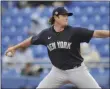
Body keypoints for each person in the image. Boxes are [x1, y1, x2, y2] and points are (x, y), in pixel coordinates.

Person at [5, 7, 109, 89]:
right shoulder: (46, 34)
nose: (66, 17)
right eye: (63, 15)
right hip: (57, 71)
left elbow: (96, 33)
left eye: (67, 15)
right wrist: (15, 47)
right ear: (56, 17)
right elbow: (31, 40)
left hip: (77, 70)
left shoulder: (74, 32)